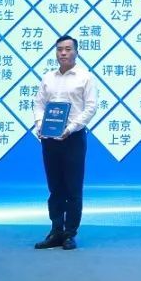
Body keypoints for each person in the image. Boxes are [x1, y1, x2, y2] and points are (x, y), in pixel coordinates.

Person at [33, 35, 98, 250]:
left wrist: (70, 128)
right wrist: (40, 124)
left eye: (68, 49)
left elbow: (91, 107)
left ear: (76, 52)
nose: (63, 53)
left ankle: (70, 234)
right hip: (50, 139)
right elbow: (39, 104)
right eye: (59, 49)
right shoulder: (48, 78)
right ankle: (56, 231)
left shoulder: (85, 77)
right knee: (55, 188)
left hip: (73, 138)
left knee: (73, 188)